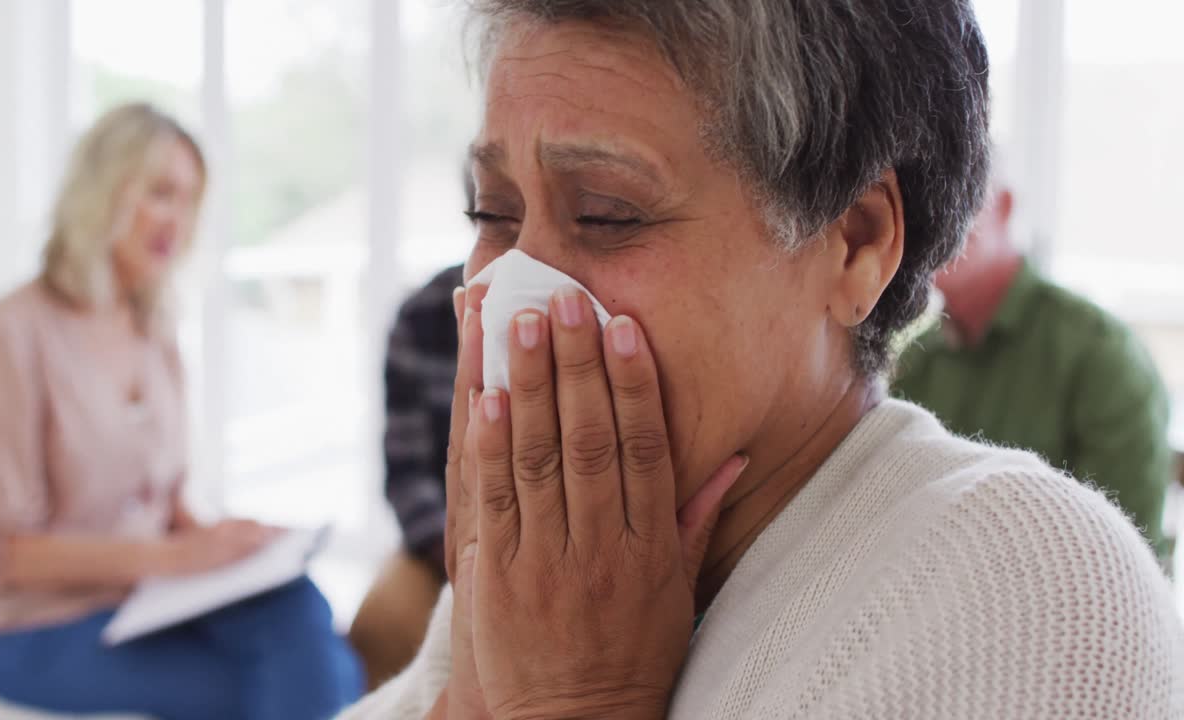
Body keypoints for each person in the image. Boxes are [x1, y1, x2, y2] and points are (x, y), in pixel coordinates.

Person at [342, 2, 1184, 718]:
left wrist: (572, 700)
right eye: (493, 213)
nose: (512, 298)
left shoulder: (1031, 580)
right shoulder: (548, 565)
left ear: (856, 244)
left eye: (605, 214)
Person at [0, 102, 362, 720]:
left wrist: (228, 543)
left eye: (190, 200)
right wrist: (175, 558)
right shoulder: (11, 335)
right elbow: (4, 555)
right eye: (160, 193)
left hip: (142, 598)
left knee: (302, 609)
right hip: (33, 629)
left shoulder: (152, 329)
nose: (179, 219)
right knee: (304, 676)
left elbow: (165, 506)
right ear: (101, 191)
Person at [892, 166, 1175, 566]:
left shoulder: (1101, 355)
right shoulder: (917, 361)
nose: (934, 218)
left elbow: (1127, 559)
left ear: (1005, 206)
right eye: (915, 205)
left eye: (959, 195)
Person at [349, 166, 473, 688]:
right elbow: (405, 477)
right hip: (443, 546)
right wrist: (462, 555)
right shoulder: (423, 315)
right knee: (378, 626)